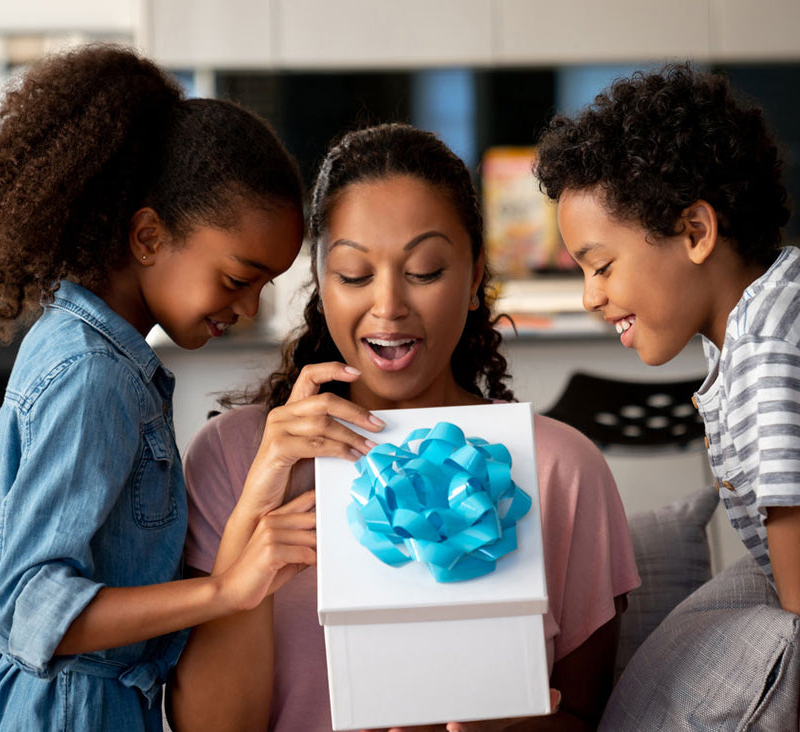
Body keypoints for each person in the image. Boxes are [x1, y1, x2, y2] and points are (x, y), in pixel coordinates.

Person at [170, 122, 641, 731]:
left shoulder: (560, 470)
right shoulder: (234, 457)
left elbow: (583, 717)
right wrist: (253, 516)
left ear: (474, 279)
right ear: (321, 283)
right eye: (355, 275)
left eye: (423, 271)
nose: (389, 306)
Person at [0, 44, 330, 730]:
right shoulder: (93, 375)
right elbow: (31, 609)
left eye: (265, 287)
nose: (247, 311)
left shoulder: (106, 361)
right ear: (149, 235)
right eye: (239, 279)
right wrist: (226, 591)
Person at [534, 63, 800, 732]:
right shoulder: (771, 314)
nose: (590, 296)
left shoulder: (772, 359)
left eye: (602, 264)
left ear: (697, 233)